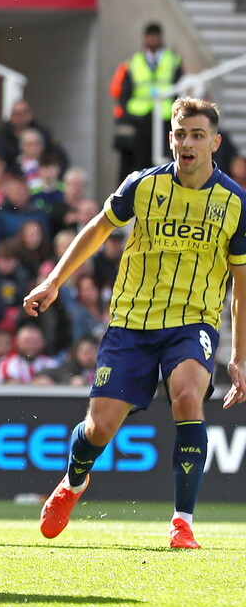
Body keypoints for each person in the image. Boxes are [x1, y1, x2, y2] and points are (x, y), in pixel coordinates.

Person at [24, 98, 246, 550]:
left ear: (214, 143)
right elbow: (97, 229)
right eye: (180, 134)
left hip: (193, 322)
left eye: (197, 135)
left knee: (187, 396)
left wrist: (240, 355)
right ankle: (73, 481)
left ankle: (182, 522)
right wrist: (53, 281)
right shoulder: (142, 185)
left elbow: (241, 284)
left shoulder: (235, 202)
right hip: (131, 323)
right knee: (100, 427)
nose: (187, 143)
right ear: (171, 139)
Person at [110, 22, 183, 183]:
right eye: (150, 36)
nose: (153, 40)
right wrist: (128, 115)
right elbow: (124, 92)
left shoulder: (173, 60)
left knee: (163, 160)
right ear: (145, 38)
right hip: (140, 118)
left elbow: (179, 88)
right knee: (137, 162)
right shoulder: (133, 62)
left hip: (164, 116)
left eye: (156, 36)